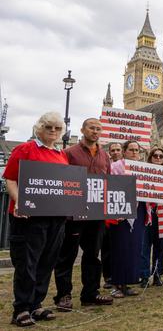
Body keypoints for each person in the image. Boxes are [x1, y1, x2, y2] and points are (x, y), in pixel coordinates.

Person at [4, 112, 69, 326]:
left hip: (55, 217)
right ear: (39, 128)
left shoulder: (61, 155)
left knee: (46, 262)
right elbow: (10, 179)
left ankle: (36, 304)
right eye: (48, 127)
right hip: (29, 217)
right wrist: (19, 201)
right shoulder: (26, 149)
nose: (53, 131)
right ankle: (21, 308)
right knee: (27, 263)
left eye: (57, 128)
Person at [53, 118, 114, 312]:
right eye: (91, 128)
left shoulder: (105, 156)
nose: (95, 131)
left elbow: (109, 182)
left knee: (92, 255)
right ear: (82, 130)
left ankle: (90, 293)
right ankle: (63, 295)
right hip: (74, 213)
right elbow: (61, 180)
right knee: (67, 255)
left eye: (98, 129)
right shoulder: (69, 153)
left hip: (96, 215)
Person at [108, 141, 146, 298]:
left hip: (140, 209)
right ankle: (116, 283)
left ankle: (128, 282)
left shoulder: (144, 168)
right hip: (121, 211)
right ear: (124, 151)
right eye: (131, 150)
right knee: (120, 247)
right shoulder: (116, 167)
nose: (134, 152)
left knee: (134, 247)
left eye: (137, 150)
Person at [139, 147, 163, 287]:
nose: (158, 158)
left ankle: (157, 274)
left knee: (159, 247)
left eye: (160, 156)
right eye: (155, 156)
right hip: (146, 213)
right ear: (150, 157)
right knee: (145, 246)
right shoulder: (142, 173)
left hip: (162, 214)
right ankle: (144, 275)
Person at [102, 143, 123, 289]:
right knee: (107, 246)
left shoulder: (127, 167)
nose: (115, 152)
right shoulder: (106, 167)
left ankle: (120, 275)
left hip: (123, 208)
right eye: (112, 150)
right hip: (108, 210)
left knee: (121, 246)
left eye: (118, 150)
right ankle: (108, 276)